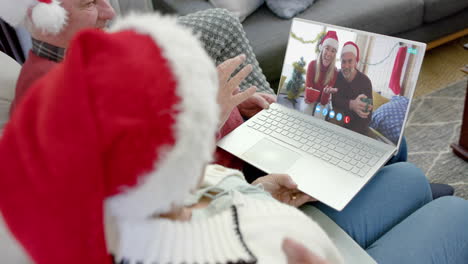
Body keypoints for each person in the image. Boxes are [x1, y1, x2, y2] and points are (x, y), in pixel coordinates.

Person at [1, 16, 467, 264]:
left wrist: (254, 192)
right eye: (87, 3)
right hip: (270, 230)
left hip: (246, 199)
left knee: (401, 167)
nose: (106, 11)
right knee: (452, 210)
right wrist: (212, 121)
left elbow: (178, 198)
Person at [332, 41, 373, 135]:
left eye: (350, 61)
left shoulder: (365, 81)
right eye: (343, 61)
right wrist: (351, 104)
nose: (346, 66)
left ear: (356, 62)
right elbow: (332, 100)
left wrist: (351, 135)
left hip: (356, 129)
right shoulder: (336, 76)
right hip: (337, 120)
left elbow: (367, 116)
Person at [304, 31, 339, 109]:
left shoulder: (335, 72)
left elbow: (323, 102)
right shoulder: (312, 65)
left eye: (333, 51)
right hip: (311, 101)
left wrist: (326, 93)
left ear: (334, 54)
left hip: (323, 104)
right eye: (327, 48)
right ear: (322, 49)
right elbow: (309, 95)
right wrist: (308, 97)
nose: (329, 54)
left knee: (320, 113)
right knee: (307, 108)